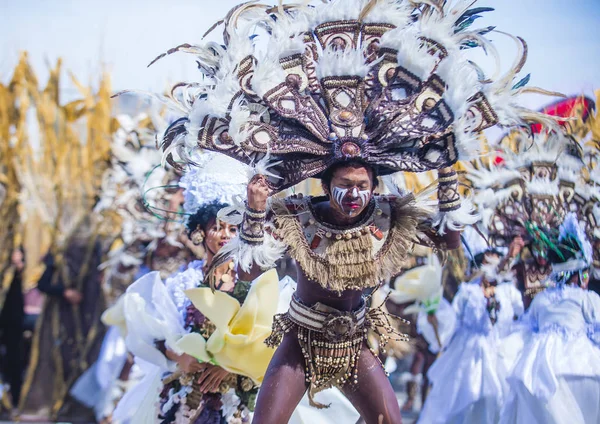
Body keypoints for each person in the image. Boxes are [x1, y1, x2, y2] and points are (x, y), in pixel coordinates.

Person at [147, 2, 550, 422]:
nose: (354, 195)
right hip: (300, 340)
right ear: (324, 186)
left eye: (362, 186)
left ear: (375, 187)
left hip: (355, 343)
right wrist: (254, 210)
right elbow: (248, 274)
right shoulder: (296, 216)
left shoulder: (390, 217)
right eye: (344, 186)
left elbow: (449, 242)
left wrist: (448, 180)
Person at [500, 213, 600, 424]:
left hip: (539, 367)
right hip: (581, 366)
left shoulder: (542, 299)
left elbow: (524, 330)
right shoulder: (586, 299)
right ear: (581, 274)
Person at [418, 246, 524, 424]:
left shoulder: (508, 292)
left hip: (497, 353)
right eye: (488, 257)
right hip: (464, 354)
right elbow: (453, 321)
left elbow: (522, 318)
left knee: (495, 399)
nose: (493, 261)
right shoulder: (468, 291)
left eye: (497, 257)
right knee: (458, 398)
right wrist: (437, 322)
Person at [0, 248, 26, 410]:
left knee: (14, 356)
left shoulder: (15, 240)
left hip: (11, 312)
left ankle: (14, 400)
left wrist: (20, 263)